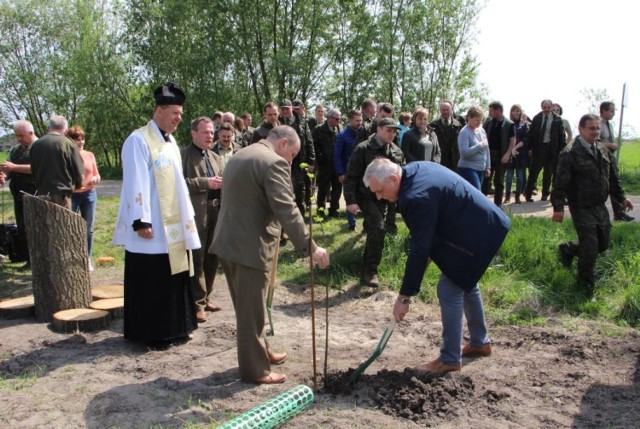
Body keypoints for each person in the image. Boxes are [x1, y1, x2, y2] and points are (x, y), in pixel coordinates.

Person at [363, 158, 510, 374]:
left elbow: (420, 250)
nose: (379, 197)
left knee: (449, 287)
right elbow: (427, 240)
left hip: (480, 232)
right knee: (464, 279)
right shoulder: (413, 169)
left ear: (394, 179)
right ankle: (480, 342)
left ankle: (449, 358)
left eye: (381, 191)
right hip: (482, 224)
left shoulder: (414, 198)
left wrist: (404, 297)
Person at [210, 125, 330, 384]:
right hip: (248, 248)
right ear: (283, 143)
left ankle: (262, 352)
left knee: (250, 307)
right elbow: (287, 208)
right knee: (251, 312)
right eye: (293, 155)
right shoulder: (273, 162)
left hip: (228, 243)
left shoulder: (242, 154)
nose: (291, 161)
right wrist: (312, 247)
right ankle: (256, 371)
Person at [113, 82, 200, 345]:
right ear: (159, 110)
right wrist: (141, 220)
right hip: (151, 228)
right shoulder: (137, 140)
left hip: (172, 226)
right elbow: (135, 182)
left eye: (181, 114)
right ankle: (153, 333)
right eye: (175, 113)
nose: (179, 118)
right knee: (153, 280)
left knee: (174, 276)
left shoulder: (172, 142)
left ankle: (176, 328)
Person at [551, 114, 633, 296]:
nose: (595, 132)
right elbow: (560, 183)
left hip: (599, 205)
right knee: (590, 246)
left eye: (597, 128)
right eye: (591, 128)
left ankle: (568, 248)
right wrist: (558, 207)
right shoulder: (570, 152)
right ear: (580, 129)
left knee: (602, 243)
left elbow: (613, 178)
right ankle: (585, 286)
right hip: (580, 206)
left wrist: (622, 198)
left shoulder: (603, 150)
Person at [344, 117, 405, 288]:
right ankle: (370, 271)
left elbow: (402, 175)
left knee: (384, 229)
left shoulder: (397, 152)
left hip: (387, 198)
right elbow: (351, 177)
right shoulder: (363, 148)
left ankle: (373, 261)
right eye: (388, 130)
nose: (392, 134)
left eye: (394, 131)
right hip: (366, 196)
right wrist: (350, 201)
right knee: (378, 228)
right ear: (378, 130)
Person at [181, 117, 224, 324]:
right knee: (197, 259)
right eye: (206, 132)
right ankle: (197, 304)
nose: (210, 136)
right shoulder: (183, 155)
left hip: (217, 211)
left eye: (211, 132)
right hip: (196, 214)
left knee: (212, 257)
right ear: (193, 133)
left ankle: (207, 297)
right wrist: (204, 182)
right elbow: (178, 184)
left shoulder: (215, 156)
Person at [0, 120, 38, 270]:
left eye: (21, 136)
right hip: (18, 196)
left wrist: (14, 167)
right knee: (23, 229)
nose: (19, 139)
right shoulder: (16, 150)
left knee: (34, 229)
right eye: (17, 136)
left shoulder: (39, 147)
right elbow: (8, 168)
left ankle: (37, 261)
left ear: (31, 133)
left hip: (34, 195)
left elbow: (37, 168)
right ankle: (28, 259)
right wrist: (4, 175)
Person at [29, 115, 84, 210]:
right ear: (66, 130)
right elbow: (78, 170)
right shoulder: (67, 143)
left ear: (48, 128)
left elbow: (33, 169)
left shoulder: (36, 145)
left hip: (41, 194)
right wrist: (79, 184)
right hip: (62, 195)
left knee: (44, 223)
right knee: (62, 223)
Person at [67, 126, 100, 272]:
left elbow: (97, 174)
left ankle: (87, 259)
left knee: (89, 228)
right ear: (70, 140)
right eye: (76, 139)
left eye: (82, 138)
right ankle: (71, 258)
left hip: (89, 194)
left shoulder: (90, 155)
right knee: (70, 228)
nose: (80, 142)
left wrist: (95, 179)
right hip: (72, 194)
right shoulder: (66, 154)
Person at [278, 98, 315, 218]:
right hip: (282, 162)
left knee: (300, 191)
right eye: (282, 109)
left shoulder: (302, 122)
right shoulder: (277, 123)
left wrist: (311, 161)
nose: (284, 111)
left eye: (286, 109)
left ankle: (300, 218)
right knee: (283, 192)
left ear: (291, 109)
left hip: (299, 162)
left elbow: (309, 142)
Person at [524, 99, 566, 202]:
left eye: (548, 107)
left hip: (552, 149)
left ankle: (545, 194)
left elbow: (562, 136)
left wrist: (562, 151)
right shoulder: (537, 118)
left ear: (551, 107)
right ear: (541, 107)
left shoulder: (557, 119)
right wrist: (529, 148)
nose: (546, 109)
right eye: (544, 107)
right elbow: (531, 135)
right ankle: (528, 193)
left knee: (548, 173)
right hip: (539, 148)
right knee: (534, 172)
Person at [599, 101, 634, 222]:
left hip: (609, 157)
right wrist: (610, 145)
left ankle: (619, 213)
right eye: (611, 111)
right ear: (604, 111)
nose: (613, 114)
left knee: (615, 184)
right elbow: (594, 142)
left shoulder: (609, 124)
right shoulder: (597, 124)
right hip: (600, 159)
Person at [334, 109, 363, 231]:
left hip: (362, 172)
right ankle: (352, 224)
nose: (359, 123)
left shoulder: (363, 134)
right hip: (348, 172)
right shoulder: (342, 136)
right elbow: (337, 156)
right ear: (350, 120)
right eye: (357, 121)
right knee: (350, 197)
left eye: (361, 120)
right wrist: (340, 172)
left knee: (362, 196)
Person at [482, 101, 515, 207]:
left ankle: (497, 205)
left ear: (498, 110)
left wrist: (508, 154)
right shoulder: (488, 123)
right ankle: (482, 204)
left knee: (499, 181)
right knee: (486, 179)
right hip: (489, 154)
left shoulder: (509, 124)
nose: (490, 112)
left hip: (502, 154)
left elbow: (513, 139)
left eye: (491, 110)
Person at [313, 108, 342, 218]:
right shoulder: (318, 129)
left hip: (337, 164)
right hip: (324, 165)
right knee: (323, 188)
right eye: (337, 119)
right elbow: (314, 146)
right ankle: (320, 210)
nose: (339, 121)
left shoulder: (339, 129)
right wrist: (320, 157)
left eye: (339, 119)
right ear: (330, 118)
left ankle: (334, 210)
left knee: (337, 188)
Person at [457, 106, 490, 190]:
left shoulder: (482, 131)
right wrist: (479, 146)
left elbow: (487, 149)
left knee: (475, 195)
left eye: (480, 120)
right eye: (476, 120)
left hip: (481, 168)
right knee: (476, 194)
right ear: (469, 118)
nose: (479, 123)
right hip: (468, 168)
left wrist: (487, 167)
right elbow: (464, 153)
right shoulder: (464, 132)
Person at [504, 105, 530, 204]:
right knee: (509, 176)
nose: (515, 113)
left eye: (517, 111)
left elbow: (526, 139)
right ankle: (507, 196)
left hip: (521, 153)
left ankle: (517, 196)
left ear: (520, 112)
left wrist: (515, 147)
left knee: (520, 176)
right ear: (511, 112)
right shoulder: (508, 123)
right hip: (510, 153)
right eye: (513, 111)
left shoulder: (525, 124)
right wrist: (510, 150)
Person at [430, 100, 463, 171]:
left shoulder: (459, 125)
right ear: (440, 110)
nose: (445, 112)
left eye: (447, 110)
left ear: (451, 110)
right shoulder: (433, 125)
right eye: (443, 110)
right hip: (439, 160)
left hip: (454, 161)